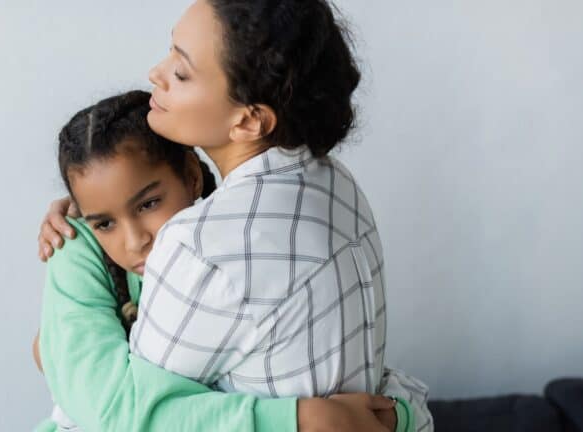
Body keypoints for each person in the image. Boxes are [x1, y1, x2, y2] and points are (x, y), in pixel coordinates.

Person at [41, 0, 433, 430]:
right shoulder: (337, 185)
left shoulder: (200, 245)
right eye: (171, 51)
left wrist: (71, 259)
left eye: (182, 72)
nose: (157, 73)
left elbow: (120, 414)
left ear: (248, 122)